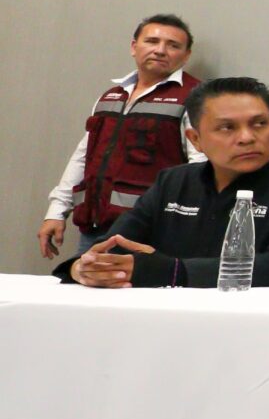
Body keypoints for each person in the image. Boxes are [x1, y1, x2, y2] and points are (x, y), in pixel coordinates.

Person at [52, 77, 269, 288]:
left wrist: (170, 271)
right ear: (195, 139)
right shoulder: (173, 181)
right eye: (227, 127)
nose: (247, 138)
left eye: (259, 124)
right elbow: (113, 244)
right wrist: (83, 268)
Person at [38, 14, 206, 259]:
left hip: (150, 233)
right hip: (95, 228)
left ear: (186, 55)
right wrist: (56, 211)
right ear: (134, 47)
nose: (160, 50)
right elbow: (84, 156)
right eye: (152, 41)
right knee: (83, 283)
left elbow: (199, 168)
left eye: (173, 45)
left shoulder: (195, 98)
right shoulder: (111, 96)